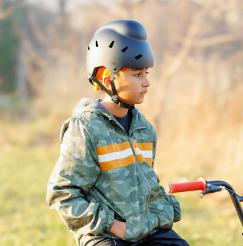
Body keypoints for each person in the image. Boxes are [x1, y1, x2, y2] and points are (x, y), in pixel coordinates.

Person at [46, 19, 189, 246]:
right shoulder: (86, 128)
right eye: (137, 74)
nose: (146, 82)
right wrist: (113, 226)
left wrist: (161, 210)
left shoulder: (145, 129)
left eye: (146, 73)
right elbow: (62, 194)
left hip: (147, 231)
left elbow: (143, 182)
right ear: (106, 78)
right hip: (104, 234)